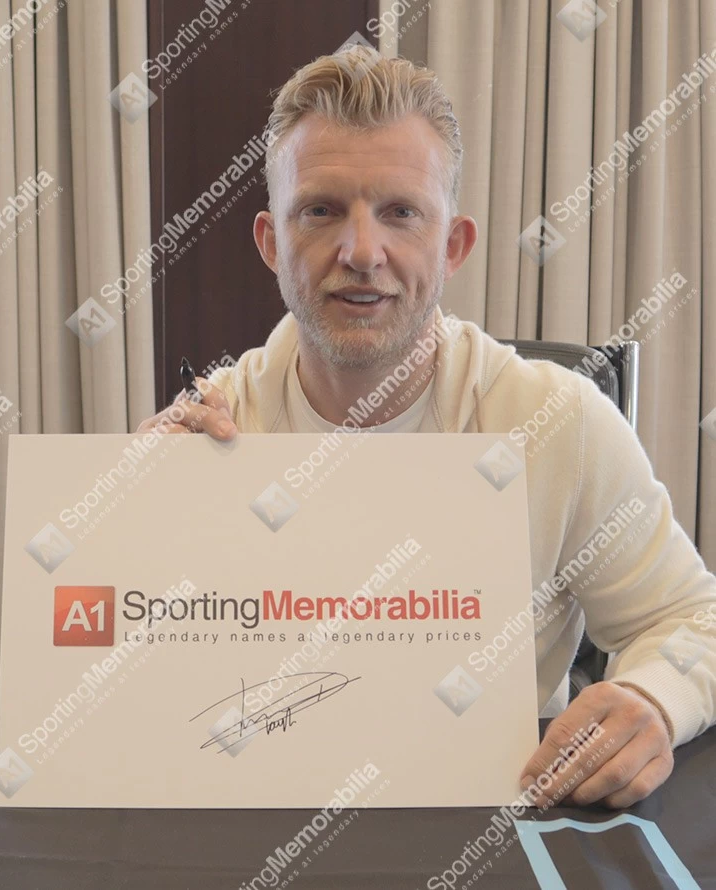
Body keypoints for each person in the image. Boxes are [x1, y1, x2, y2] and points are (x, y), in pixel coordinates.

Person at [137, 45, 716, 808]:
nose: (361, 252)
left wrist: (654, 699)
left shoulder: (560, 422)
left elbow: (692, 621)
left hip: (494, 819)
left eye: (401, 213)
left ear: (453, 246)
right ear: (272, 244)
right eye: (320, 211)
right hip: (261, 807)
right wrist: (135, 534)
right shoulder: (209, 434)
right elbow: (146, 689)